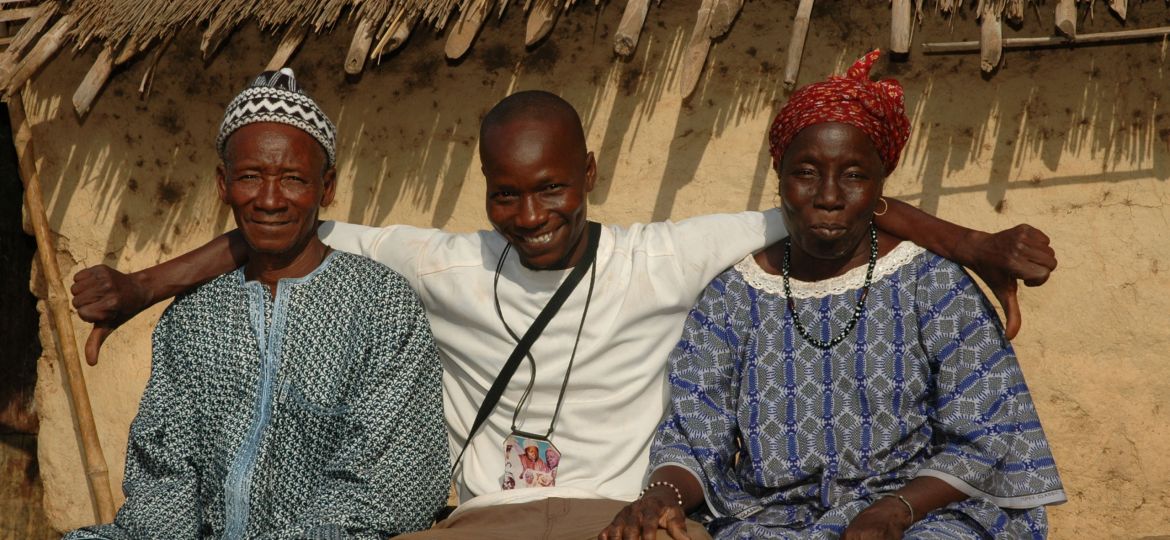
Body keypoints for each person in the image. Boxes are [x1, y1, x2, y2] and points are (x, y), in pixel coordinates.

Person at [70, 88, 1057, 538]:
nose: (532, 215)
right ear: (486, 190)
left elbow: (836, 199)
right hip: (483, 521)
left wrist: (976, 247)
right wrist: (138, 288)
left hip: (624, 521)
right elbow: (275, 225)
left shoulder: (660, 256)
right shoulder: (448, 263)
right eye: (509, 193)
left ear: (588, 174)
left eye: (552, 189)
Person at [600, 50, 1066, 540]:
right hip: (772, 520)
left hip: (927, 513)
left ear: (879, 185)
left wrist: (896, 510)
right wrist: (660, 498)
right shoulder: (732, 296)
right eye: (805, 172)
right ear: (779, 178)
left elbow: (987, 433)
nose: (827, 195)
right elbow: (696, 436)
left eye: (853, 175)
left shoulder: (933, 284)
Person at [64, 69, 448, 539]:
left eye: (293, 179)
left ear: (325, 188)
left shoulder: (380, 304)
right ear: (224, 184)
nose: (269, 199)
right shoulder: (192, 318)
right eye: (250, 177)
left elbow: (388, 487)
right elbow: (165, 485)